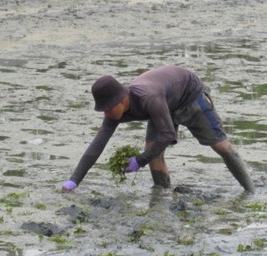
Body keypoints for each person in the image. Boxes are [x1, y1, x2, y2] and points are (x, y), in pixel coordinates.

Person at [60, 65, 254, 193]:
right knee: (155, 155)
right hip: (163, 106)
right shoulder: (113, 113)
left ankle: (250, 190)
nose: (106, 114)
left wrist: (139, 160)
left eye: (108, 108)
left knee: (222, 147)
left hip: (189, 95)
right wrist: (74, 180)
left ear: (122, 100)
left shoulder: (147, 98)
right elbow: (97, 145)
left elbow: (168, 134)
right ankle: (162, 196)